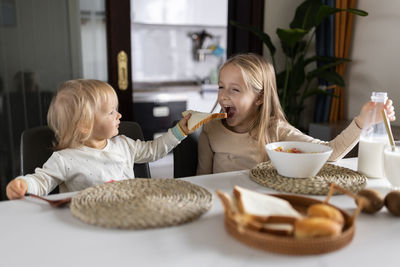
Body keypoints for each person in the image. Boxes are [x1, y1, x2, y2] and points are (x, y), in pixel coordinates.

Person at [197, 53, 396, 174]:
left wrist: (362, 122)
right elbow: (202, 179)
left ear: (259, 98)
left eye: (235, 89)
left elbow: (330, 153)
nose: (223, 96)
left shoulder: (275, 130)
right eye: (221, 87)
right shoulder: (210, 129)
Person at [6, 79, 193, 199]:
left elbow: (154, 150)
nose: (119, 115)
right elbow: (42, 181)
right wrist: (24, 184)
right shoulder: (65, 159)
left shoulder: (124, 145)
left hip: (131, 217)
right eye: (111, 112)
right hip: (88, 224)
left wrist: (179, 132)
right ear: (85, 125)